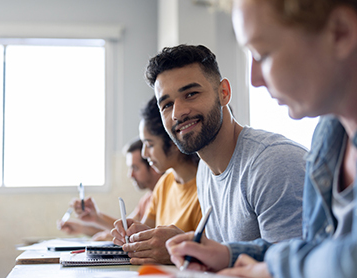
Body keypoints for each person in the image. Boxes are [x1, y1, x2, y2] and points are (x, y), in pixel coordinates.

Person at [167, 1, 357, 277]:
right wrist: (229, 255)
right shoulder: (329, 139)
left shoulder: (273, 158)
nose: (255, 79)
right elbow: (314, 249)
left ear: (340, 32)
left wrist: (272, 269)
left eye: (263, 54)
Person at [144, 43, 307, 268]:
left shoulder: (272, 163)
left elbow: (290, 269)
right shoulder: (204, 170)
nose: (178, 113)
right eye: (167, 104)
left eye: (191, 94)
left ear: (224, 93)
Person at [111, 96, 202, 264]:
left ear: (175, 143)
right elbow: (146, 230)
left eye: (150, 144)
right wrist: (132, 234)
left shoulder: (205, 189)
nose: (145, 154)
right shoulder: (165, 183)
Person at [58, 138, 162, 241]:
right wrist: (86, 224)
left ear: (153, 166)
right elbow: (124, 228)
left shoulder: (163, 196)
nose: (130, 175)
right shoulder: (146, 199)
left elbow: (135, 235)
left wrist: (104, 233)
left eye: (135, 168)